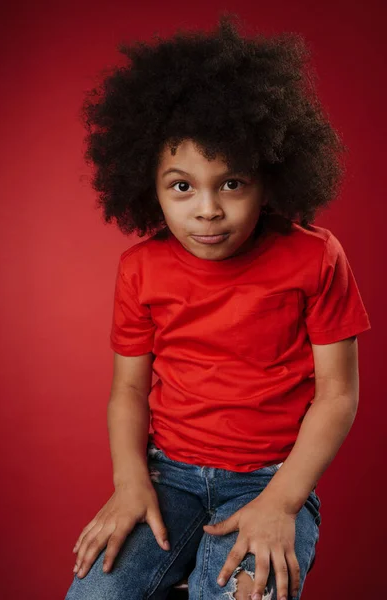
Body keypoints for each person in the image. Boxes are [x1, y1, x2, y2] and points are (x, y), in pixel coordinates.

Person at [64, 12, 371, 600]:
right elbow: (129, 389)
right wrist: (130, 481)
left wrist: (281, 501)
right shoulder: (140, 268)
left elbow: (338, 393)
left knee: (241, 594)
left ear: (270, 177)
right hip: (168, 476)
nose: (207, 209)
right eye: (182, 186)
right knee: (94, 593)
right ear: (148, 188)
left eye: (231, 183)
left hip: (272, 478)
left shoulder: (315, 257)